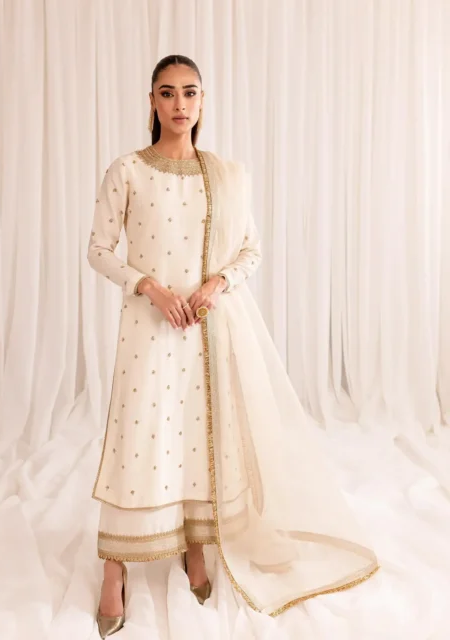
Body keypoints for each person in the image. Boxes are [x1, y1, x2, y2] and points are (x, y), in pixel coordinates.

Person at [87, 54, 379, 638]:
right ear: (151, 101)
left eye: (189, 92)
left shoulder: (223, 176)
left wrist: (217, 284)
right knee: (137, 440)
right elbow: (99, 249)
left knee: (198, 436)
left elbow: (251, 250)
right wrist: (148, 286)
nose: (179, 104)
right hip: (147, 329)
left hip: (203, 328)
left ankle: (195, 545)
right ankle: (114, 569)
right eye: (167, 93)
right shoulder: (128, 170)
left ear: (202, 101)